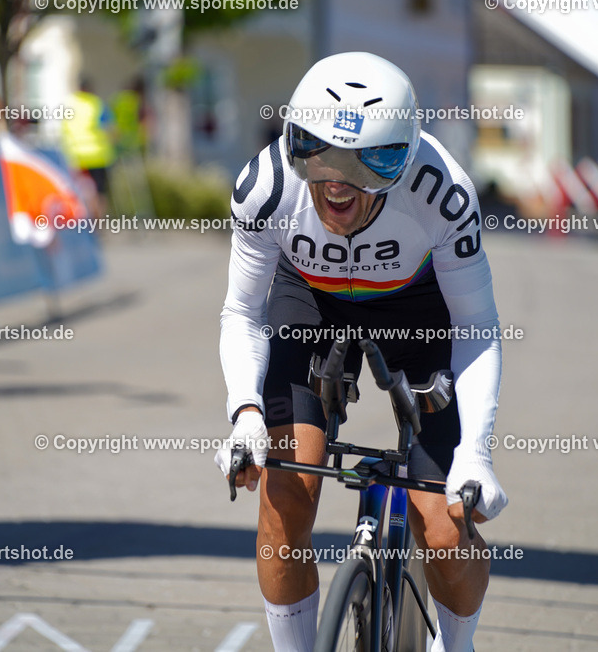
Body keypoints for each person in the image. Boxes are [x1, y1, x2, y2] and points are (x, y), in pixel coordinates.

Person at [214, 52, 507, 652]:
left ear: (399, 161)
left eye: (365, 162)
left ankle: (455, 644)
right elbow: (242, 311)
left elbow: (477, 326)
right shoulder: (266, 187)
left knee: (446, 529)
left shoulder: (443, 193)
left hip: (417, 308)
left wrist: (476, 455)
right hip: (309, 301)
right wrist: (244, 414)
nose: (336, 182)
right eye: (316, 153)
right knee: (284, 499)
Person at [62, 78, 116, 218]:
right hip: (98, 156)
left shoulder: (69, 105)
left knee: (78, 191)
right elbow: (110, 130)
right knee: (99, 192)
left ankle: (82, 222)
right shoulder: (96, 104)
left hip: (75, 156)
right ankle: (96, 224)